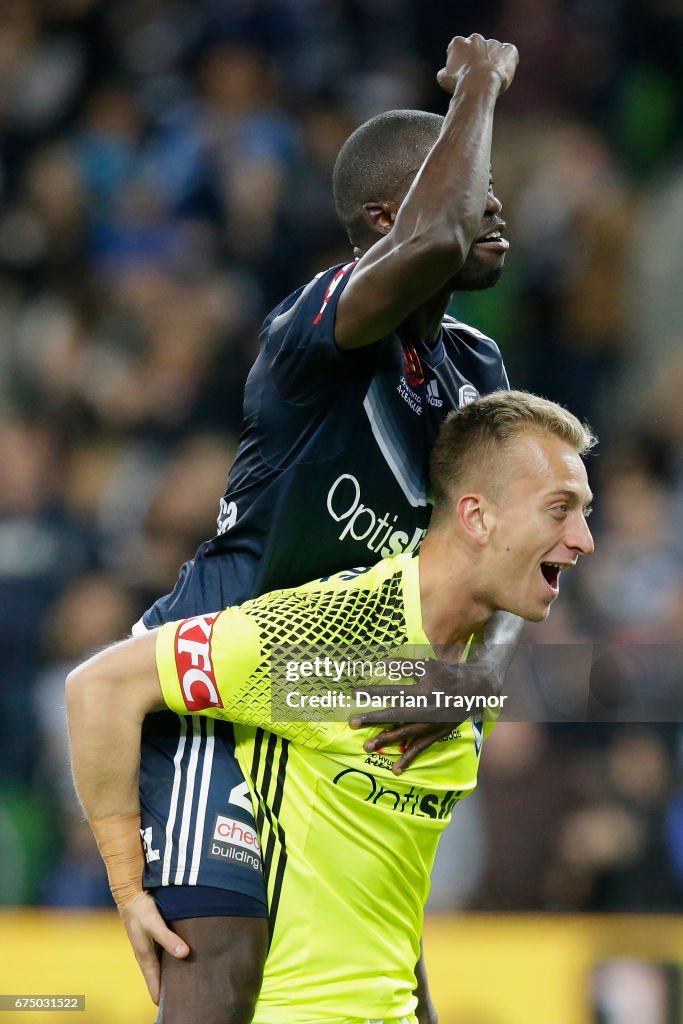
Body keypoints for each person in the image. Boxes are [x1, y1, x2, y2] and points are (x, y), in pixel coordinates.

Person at [130, 32, 520, 1023]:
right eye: (469, 183)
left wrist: (466, 682)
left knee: (386, 991)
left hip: (338, 686)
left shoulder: (476, 371)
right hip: (220, 671)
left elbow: (514, 565)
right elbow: (432, 243)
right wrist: (476, 82)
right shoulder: (316, 323)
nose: (494, 201)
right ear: (390, 219)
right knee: (222, 968)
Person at [67, 390, 596, 1024]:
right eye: (559, 510)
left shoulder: (470, 667)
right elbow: (100, 687)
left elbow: (389, 891)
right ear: (477, 518)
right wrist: (128, 889)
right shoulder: (337, 643)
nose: (584, 539)